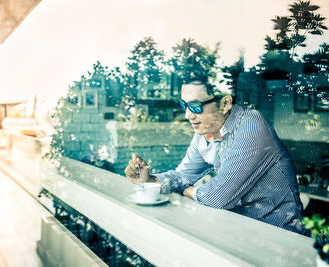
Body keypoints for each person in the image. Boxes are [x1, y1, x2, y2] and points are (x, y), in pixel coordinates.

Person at [125, 79, 305, 234]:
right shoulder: (205, 133)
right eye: (184, 105)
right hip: (240, 231)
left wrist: (186, 190)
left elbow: (218, 197)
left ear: (225, 104)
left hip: (279, 236)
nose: (188, 115)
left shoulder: (251, 125)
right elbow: (182, 176)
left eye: (195, 106)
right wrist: (148, 180)